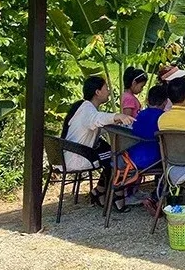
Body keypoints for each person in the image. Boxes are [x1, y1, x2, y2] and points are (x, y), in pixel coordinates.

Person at [61, 75, 134, 207]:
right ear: (97, 92)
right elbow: (97, 119)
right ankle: (116, 195)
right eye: (106, 88)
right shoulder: (87, 109)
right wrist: (119, 116)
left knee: (109, 152)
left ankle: (99, 191)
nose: (109, 91)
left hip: (75, 152)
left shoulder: (84, 107)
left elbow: (96, 125)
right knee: (116, 159)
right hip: (78, 156)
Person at [128, 83, 168, 170]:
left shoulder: (139, 115)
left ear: (148, 100)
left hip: (132, 158)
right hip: (153, 160)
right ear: (165, 102)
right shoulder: (163, 117)